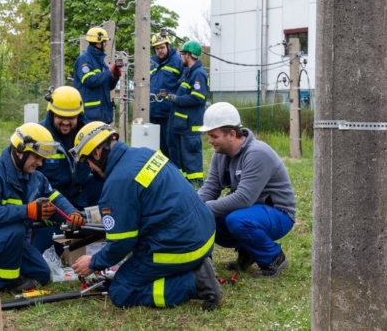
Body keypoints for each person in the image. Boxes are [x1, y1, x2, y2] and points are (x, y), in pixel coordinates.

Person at [69, 121, 222, 311]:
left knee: (121, 290)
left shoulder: (117, 184)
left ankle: (195, 282)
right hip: (204, 233)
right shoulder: (144, 153)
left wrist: (94, 262)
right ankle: (194, 267)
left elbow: (121, 244)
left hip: (182, 245)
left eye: (87, 162)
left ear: (97, 152)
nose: (90, 168)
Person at [0, 123, 86, 295]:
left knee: (42, 275)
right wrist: (28, 211)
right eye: (36, 157)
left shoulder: (34, 177)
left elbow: (55, 198)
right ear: (20, 151)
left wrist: (72, 213)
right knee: (15, 229)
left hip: (6, 240)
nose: (40, 163)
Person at [197, 102, 296, 278]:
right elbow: (210, 188)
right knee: (209, 220)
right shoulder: (219, 156)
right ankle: (249, 252)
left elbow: (244, 198)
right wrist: (192, 207)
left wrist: (205, 209)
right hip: (252, 212)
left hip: (278, 213)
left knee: (237, 220)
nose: (210, 140)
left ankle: (274, 258)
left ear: (232, 134)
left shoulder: (257, 153)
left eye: (214, 136)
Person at [32, 86, 103, 254]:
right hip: (53, 199)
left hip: (82, 193)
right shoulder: (40, 136)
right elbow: (34, 183)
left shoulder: (90, 133)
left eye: (71, 117)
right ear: (51, 113)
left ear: (79, 115)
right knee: (44, 249)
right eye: (60, 117)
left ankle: (107, 227)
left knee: (108, 185)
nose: (65, 122)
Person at [166, 40, 208, 187]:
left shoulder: (198, 74)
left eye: (183, 54)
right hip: (182, 126)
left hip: (190, 128)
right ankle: (185, 188)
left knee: (192, 163)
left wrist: (176, 99)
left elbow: (198, 97)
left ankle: (197, 190)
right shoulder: (188, 73)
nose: (181, 57)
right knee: (182, 163)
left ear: (189, 55)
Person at [73, 27, 121, 124]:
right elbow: (89, 80)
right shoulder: (84, 59)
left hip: (103, 113)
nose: (106, 44)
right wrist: (109, 72)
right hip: (90, 114)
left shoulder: (101, 62)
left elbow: (108, 86)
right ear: (97, 43)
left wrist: (115, 76)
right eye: (104, 42)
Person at [149, 33, 183, 157]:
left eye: (162, 47)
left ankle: (174, 173)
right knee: (156, 147)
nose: (160, 51)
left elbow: (183, 85)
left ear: (168, 46)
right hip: (153, 112)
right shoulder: (151, 62)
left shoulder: (177, 61)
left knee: (172, 147)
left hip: (169, 112)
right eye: (157, 49)